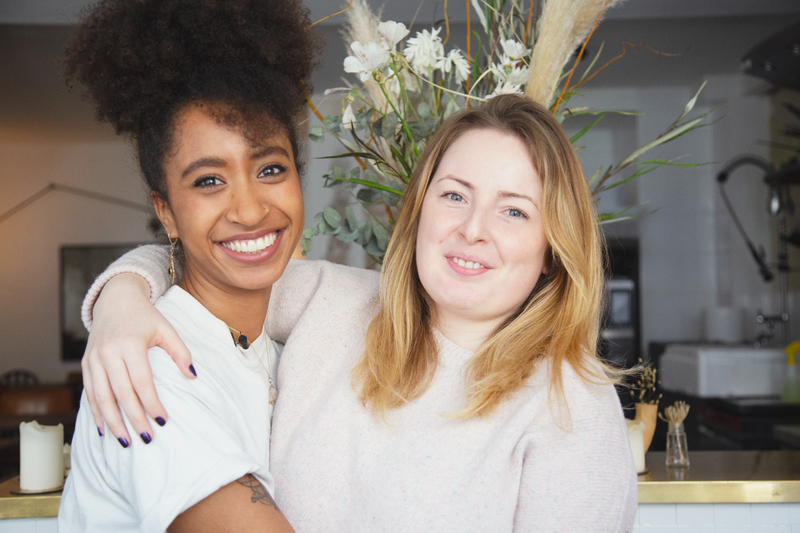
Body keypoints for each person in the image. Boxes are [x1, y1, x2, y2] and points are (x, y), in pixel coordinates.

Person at [80, 95, 638, 531]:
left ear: (552, 250)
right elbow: (217, 258)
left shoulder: (573, 405)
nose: (473, 229)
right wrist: (122, 299)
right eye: (454, 195)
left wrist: (120, 300)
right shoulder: (333, 302)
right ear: (418, 210)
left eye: (514, 211)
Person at [57, 0, 321, 531]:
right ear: (166, 212)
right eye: (208, 180)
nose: (250, 210)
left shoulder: (286, 339)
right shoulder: (149, 366)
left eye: (270, 168)